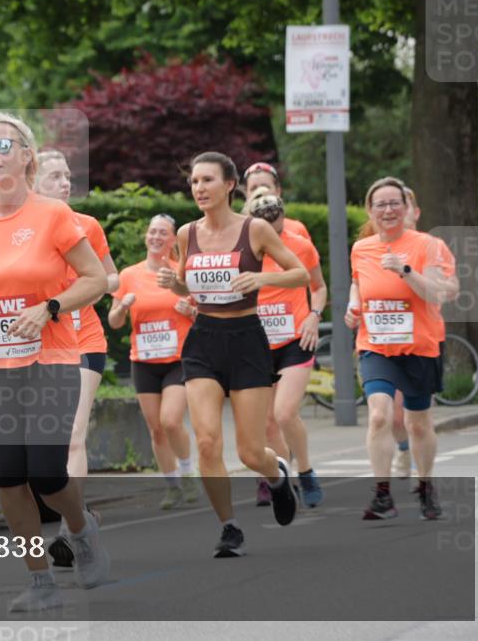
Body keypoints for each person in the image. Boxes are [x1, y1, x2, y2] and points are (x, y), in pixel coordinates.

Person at [0, 112, 110, 612]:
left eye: (3, 145)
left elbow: (94, 279)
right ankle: (40, 582)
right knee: (8, 478)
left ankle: (81, 529)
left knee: (48, 474)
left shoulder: (53, 215)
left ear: (26, 155)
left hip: (51, 358)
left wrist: (49, 307)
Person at [159, 151, 309, 558]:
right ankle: (229, 527)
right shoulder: (187, 234)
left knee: (248, 450)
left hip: (246, 340)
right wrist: (171, 284)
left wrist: (262, 276)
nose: (199, 189)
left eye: (207, 180)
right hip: (203, 339)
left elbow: (301, 273)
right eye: (193, 182)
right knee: (207, 442)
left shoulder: (256, 229)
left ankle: (276, 475)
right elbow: (184, 288)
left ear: (230, 185)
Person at [345, 177, 458, 521]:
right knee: (379, 415)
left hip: (419, 347)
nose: (388, 210)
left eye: (395, 203)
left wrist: (406, 270)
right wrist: (353, 306)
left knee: (418, 424)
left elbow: (438, 293)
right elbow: (357, 282)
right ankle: (382, 495)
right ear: (370, 210)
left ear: (407, 208)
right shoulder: (361, 249)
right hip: (375, 346)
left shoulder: (428, 245)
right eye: (380, 204)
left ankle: (425, 486)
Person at [34, 149, 120, 568]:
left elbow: (110, 274)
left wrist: (88, 288)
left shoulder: (86, 226)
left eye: (66, 175)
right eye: (54, 176)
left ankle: (71, 532)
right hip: (40, 347)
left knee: (74, 434)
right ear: (33, 181)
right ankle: (80, 517)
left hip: (83, 340)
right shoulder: (22, 229)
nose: (65, 182)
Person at [107, 214, 200, 510]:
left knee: (170, 420)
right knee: (156, 429)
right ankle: (172, 485)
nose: (156, 237)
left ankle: (188, 473)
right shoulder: (128, 275)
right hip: (144, 360)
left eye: (163, 233)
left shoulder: (179, 273)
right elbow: (114, 321)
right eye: (152, 232)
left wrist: (191, 311)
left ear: (173, 240)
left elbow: (204, 314)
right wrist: (122, 306)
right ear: (146, 237)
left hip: (178, 359)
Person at [245, 194, 327, 508]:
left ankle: (306, 471)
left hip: (295, 340)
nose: (272, 223)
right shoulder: (244, 249)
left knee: (284, 412)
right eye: (264, 218)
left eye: (277, 216)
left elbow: (318, 287)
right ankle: (284, 479)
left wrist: (313, 316)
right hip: (257, 344)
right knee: (266, 424)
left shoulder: (300, 245)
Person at [241, 162, 312, 241]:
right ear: (246, 194)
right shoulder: (238, 232)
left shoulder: (296, 229)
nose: (260, 192)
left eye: (265, 186)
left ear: (278, 191)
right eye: (253, 188)